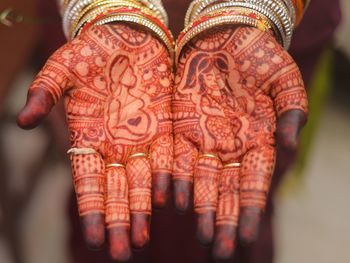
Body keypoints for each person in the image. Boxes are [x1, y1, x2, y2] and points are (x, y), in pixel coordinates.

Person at [19, 0, 342, 262]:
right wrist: (107, 8)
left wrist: (249, 9)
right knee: (109, 185)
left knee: (230, 197)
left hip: (259, 39)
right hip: (99, 36)